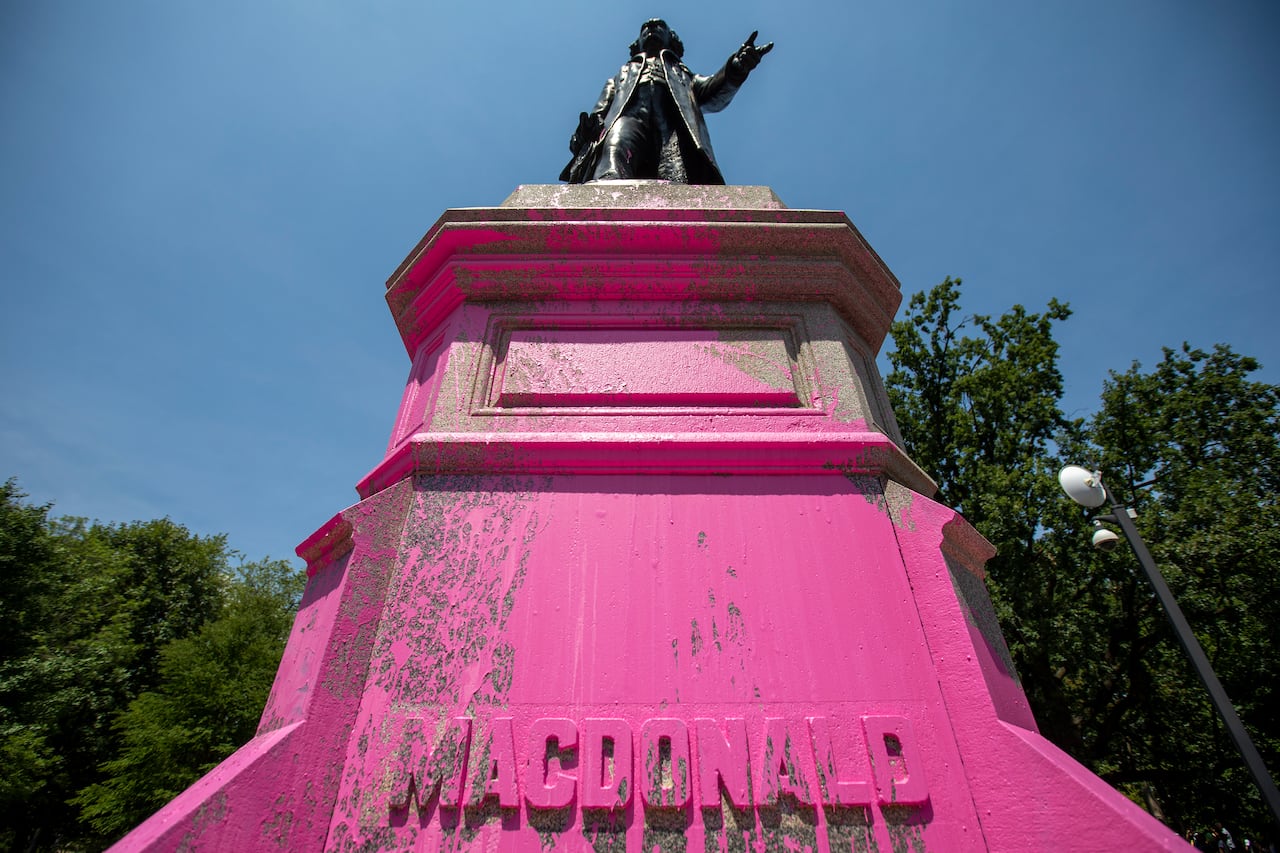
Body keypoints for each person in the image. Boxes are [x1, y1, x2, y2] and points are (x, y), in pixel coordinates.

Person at [560, 19, 772, 184]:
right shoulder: (622, 74)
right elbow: (601, 109)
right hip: (628, 118)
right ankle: (604, 202)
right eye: (646, 27)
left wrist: (735, 69)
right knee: (615, 151)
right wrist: (588, 130)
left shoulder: (682, 74)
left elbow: (711, 93)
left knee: (676, 171)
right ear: (638, 42)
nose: (651, 28)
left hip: (671, 124)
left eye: (659, 26)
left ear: (671, 38)